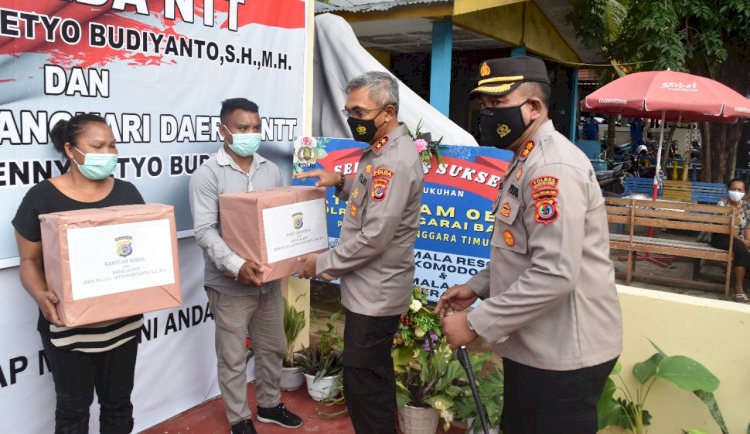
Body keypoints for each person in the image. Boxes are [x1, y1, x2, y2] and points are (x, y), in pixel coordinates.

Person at [437, 56, 623, 434]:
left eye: (497, 105)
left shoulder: (551, 169)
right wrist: (476, 286)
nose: (487, 115)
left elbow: (554, 273)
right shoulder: (525, 160)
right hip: (536, 344)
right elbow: (520, 249)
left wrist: (474, 322)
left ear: (534, 107)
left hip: (565, 355)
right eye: (485, 106)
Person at [296, 71, 424, 434]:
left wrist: (320, 263)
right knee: (371, 375)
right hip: (370, 288)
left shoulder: (393, 161)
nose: (353, 120)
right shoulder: (383, 152)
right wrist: (339, 181)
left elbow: (374, 237)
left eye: (360, 112)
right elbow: (372, 198)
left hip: (376, 292)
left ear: (387, 112)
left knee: (363, 384)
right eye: (349, 111)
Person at [12, 113, 144, 433]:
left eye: (112, 146)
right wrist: (41, 295)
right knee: (73, 411)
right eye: (98, 146)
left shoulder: (128, 193)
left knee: (118, 406)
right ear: (71, 151)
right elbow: (29, 261)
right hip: (69, 331)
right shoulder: (42, 197)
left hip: (123, 327)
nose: (109, 153)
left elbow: (142, 252)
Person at [188, 98, 302, 434]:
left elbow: (280, 221)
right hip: (229, 285)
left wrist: (291, 256)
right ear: (223, 130)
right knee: (233, 355)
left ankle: (268, 405)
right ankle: (239, 418)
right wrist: (237, 265)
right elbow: (204, 231)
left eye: (255, 128)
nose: (250, 134)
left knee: (273, 347)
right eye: (242, 128)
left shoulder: (271, 170)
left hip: (268, 282)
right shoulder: (207, 175)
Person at [710, 178, 750, 303]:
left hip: (740, 239)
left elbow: (747, 227)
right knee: (742, 251)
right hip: (722, 237)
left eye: (740, 190)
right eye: (733, 189)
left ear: (745, 192)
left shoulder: (747, 206)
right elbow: (726, 229)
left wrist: (748, 242)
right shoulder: (722, 204)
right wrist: (744, 243)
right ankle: (738, 288)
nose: (736, 192)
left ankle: (743, 285)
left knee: (745, 250)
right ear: (728, 190)